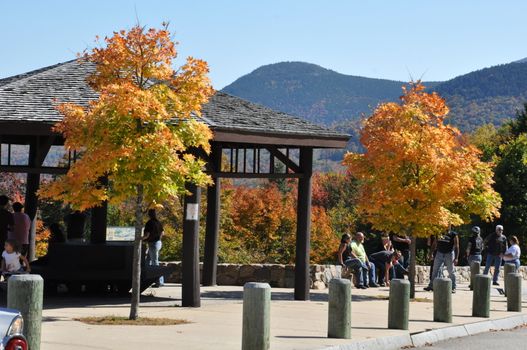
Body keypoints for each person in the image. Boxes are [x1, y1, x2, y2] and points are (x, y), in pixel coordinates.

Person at [142, 209, 164, 287]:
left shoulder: (149, 223)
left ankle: (159, 282)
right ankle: (147, 279)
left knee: (155, 262)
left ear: (149, 215)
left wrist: (140, 239)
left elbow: (147, 235)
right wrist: (159, 238)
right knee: (147, 261)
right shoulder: (158, 222)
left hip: (153, 244)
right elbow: (162, 232)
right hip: (158, 243)